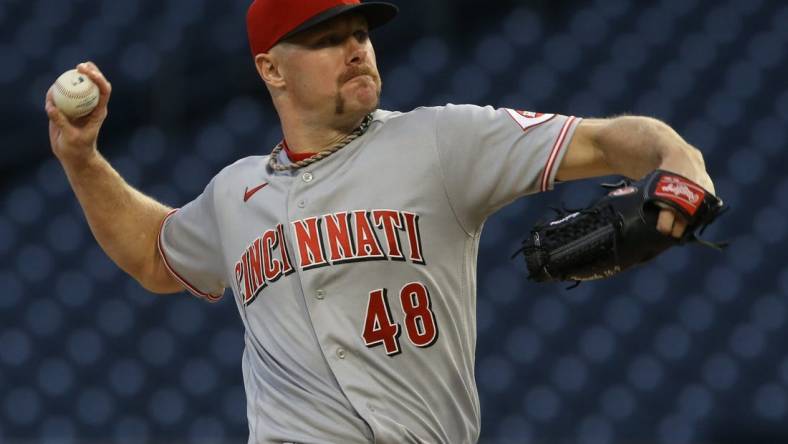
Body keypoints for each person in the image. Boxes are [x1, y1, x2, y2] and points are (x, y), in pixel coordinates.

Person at [45, 0, 715, 442]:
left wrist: (681, 166)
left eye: (360, 33)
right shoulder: (234, 193)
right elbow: (157, 256)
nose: (357, 49)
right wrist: (81, 158)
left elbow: (607, 141)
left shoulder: (440, 141)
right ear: (270, 68)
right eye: (327, 39)